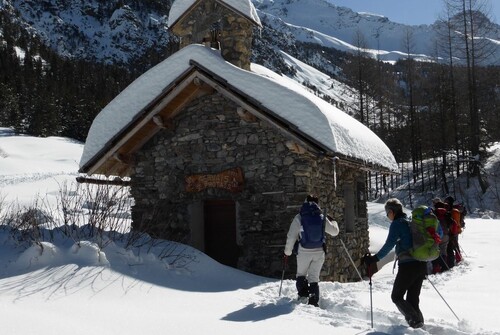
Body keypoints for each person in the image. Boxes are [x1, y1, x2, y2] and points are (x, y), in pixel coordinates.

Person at [363, 198, 427, 329]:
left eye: (387, 214)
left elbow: (389, 244)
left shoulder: (397, 224)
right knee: (412, 300)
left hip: (408, 266)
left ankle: (415, 322)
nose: (388, 216)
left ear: (391, 212)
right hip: (421, 264)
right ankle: (419, 327)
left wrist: (375, 259)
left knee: (396, 296)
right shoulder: (410, 221)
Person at [284, 195, 339, 307]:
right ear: (317, 204)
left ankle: (303, 298)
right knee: (314, 277)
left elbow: (291, 237)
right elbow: (334, 232)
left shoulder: (299, 217)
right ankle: (313, 301)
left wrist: (287, 252)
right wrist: (334, 222)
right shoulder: (321, 216)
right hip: (319, 251)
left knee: (301, 274)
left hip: (303, 251)